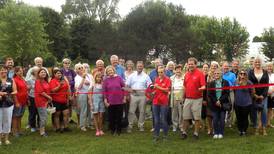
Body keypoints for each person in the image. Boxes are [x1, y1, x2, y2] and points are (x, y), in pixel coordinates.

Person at [181, 57, 206, 140]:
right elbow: (184, 86)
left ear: (196, 64)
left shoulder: (200, 74)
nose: (190, 65)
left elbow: (203, 85)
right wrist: (182, 97)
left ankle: (196, 133)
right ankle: (184, 132)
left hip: (197, 99)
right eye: (189, 64)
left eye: (192, 64)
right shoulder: (187, 74)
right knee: (185, 116)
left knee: (196, 118)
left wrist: (201, 88)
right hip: (187, 98)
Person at [126, 61, 152, 133]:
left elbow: (150, 86)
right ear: (136, 67)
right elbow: (127, 86)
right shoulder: (131, 75)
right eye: (138, 66)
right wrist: (128, 93)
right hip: (133, 95)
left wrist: (148, 96)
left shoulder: (146, 76)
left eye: (141, 66)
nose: (139, 67)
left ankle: (141, 126)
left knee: (142, 112)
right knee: (131, 111)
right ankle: (130, 125)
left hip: (142, 96)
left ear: (143, 67)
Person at [248, 56, 269, 135]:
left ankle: (263, 128)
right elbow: (249, 84)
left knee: (264, 111)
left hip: (263, 96)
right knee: (254, 112)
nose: (257, 63)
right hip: (254, 95)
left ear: (261, 63)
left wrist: (263, 95)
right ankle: (256, 127)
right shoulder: (250, 72)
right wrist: (254, 95)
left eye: (258, 62)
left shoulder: (265, 72)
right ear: (253, 63)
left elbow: (267, 85)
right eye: (256, 62)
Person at [103, 65, 126, 135]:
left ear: (114, 71)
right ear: (106, 72)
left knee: (119, 116)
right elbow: (104, 91)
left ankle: (119, 130)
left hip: (119, 100)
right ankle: (112, 129)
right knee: (111, 117)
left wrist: (124, 97)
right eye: (108, 71)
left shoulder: (119, 78)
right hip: (110, 101)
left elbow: (124, 88)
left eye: (111, 70)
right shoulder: (106, 80)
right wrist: (105, 100)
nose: (110, 72)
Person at [208, 68, 230, 139]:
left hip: (223, 104)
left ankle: (221, 132)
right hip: (214, 104)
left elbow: (226, 93)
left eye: (218, 73)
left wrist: (220, 101)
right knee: (215, 119)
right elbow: (210, 94)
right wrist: (216, 101)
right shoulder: (211, 83)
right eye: (215, 73)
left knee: (222, 119)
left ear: (221, 74)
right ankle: (216, 132)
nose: (216, 75)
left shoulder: (225, 82)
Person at [151, 65, 171, 141]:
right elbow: (156, 89)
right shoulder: (156, 79)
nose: (160, 74)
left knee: (163, 119)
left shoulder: (168, 80)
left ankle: (165, 136)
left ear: (164, 72)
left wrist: (158, 87)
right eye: (159, 72)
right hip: (155, 101)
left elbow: (167, 90)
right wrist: (154, 92)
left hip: (163, 102)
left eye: (161, 72)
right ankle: (156, 136)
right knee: (156, 120)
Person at [49, 69, 71, 133]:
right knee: (57, 115)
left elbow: (67, 89)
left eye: (60, 73)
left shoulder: (64, 81)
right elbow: (53, 90)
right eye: (58, 73)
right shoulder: (52, 81)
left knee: (66, 113)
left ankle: (65, 127)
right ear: (54, 74)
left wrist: (68, 98)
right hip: (56, 101)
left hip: (64, 100)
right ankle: (58, 128)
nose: (59, 74)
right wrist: (59, 86)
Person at [0, 65, 17, 145]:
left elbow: (15, 91)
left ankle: (6, 139)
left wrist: (7, 93)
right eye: (2, 70)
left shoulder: (11, 80)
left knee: (7, 120)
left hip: (8, 103)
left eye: (5, 70)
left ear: (7, 71)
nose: (3, 71)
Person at [234, 69, 254, 136]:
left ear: (246, 75)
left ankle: (244, 130)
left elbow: (252, 93)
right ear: (239, 75)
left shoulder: (249, 83)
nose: (242, 75)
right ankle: (240, 130)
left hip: (246, 103)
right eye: (241, 74)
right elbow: (234, 91)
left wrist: (243, 86)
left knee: (245, 117)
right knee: (239, 117)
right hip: (237, 103)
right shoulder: (235, 82)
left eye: (244, 74)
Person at [74, 63, 93, 131]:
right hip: (82, 94)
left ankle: (90, 124)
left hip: (90, 93)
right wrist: (83, 79)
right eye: (79, 68)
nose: (81, 69)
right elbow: (78, 87)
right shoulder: (77, 77)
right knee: (83, 110)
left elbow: (92, 83)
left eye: (82, 67)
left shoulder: (89, 75)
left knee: (90, 109)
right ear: (76, 70)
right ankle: (82, 125)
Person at [34, 68, 52, 137]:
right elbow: (41, 92)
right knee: (43, 117)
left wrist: (48, 99)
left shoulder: (45, 81)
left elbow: (48, 90)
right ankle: (42, 132)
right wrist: (49, 97)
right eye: (42, 72)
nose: (43, 73)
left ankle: (42, 129)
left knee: (44, 116)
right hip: (40, 101)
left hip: (46, 101)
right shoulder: (38, 81)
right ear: (38, 74)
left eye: (44, 72)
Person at [12, 66, 28, 137]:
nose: (21, 72)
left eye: (21, 70)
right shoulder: (14, 80)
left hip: (24, 101)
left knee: (20, 116)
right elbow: (14, 92)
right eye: (19, 71)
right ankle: (14, 131)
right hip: (18, 101)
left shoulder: (23, 79)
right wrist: (16, 102)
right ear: (15, 72)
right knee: (15, 116)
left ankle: (19, 130)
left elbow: (25, 90)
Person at [61, 58, 77, 124]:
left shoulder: (72, 71)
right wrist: (67, 84)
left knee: (70, 105)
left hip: (71, 90)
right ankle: (64, 118)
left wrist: (70, 83)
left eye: (68, 63)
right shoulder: (61, 71)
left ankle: (70, 118)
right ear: (63, 64)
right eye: (65, 63)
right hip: (64, 91)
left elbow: (75, 80)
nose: (67, 64)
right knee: (65, 105)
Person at [170, 64, 184, 132]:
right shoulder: (171, 78)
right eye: (177, 69)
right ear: (174, 71)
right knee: (174, 112)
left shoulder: (184, 77)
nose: (178, 71)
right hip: (174, 96)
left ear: (181, 70)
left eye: (179, 69)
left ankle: (181, 126)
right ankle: (175, 126)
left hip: (182, 96)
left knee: (181, 112)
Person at [222, 61, 236, 128]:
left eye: (227, 66)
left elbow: (234, 84)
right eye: (225, 66)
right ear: (222, 67)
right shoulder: (220, 74)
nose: (226, 67)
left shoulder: (232, 75)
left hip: (230, 92)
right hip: (222, 93)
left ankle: (229, 122)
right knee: (222, 106)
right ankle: (222, 121)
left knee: (231, 107)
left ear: (229, 67)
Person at [26, 66, 40, 132]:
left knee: (39, 112)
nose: (37, 72)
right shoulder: (29, 80)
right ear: (33, 72)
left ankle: (39, 125)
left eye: (38, 70)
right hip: (32, 97)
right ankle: (33, 126)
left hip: (40, 98)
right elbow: (27, 91)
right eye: (36, 71)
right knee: (33, 112)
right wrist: (28, 99)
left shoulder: (41, 79)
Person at [266, 62, 274, 128]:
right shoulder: (264, 75)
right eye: (268, 66)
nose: (269, 68)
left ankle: (268, 123)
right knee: (264, 109)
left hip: (272, 95)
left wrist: (272, 92)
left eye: (270, 66)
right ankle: (263, 123)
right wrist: (267, 92)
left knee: (270, 109)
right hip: (265, 94)